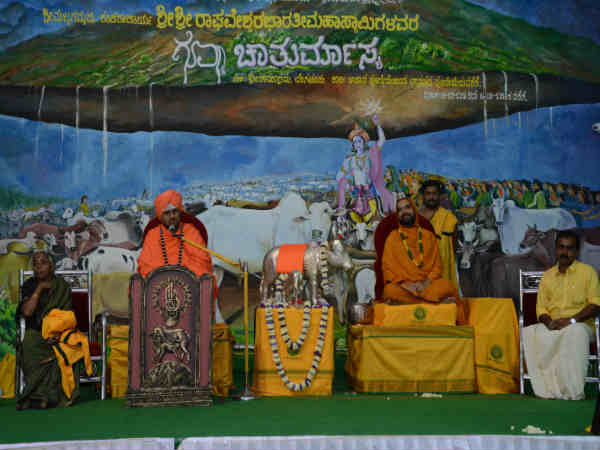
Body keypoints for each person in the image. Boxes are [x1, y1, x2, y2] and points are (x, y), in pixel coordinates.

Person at [522, 230, 600, 400]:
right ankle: (547, 389)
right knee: (530, 332)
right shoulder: (547, 276)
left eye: (569, 248)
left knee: (575, 332)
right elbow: (541, 309)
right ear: (556, 249)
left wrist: (571, 320)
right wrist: (550, 323)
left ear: (577, 251)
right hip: (554, 324)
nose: (564, 252)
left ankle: (572, 391)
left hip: (580, 324)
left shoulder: (588, 272)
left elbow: (595, 304)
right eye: (561, 247)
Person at [380, 194, 468, 324]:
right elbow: (387, 268)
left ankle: (406, 303)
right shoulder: (392, 238)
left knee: (447, 286)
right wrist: (406, 285)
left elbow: (437, 266)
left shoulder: (428, 236)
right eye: (400, 209)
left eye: (407, 207)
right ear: (397, 215)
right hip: (404, 287)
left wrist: (425, 283)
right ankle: (434, 303)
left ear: (414, 210)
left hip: (427, 286)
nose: (404, 212)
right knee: (390, 290)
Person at [16, 251, 84, 410]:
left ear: (51, 266)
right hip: (37, 332)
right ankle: (37, 395)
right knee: (29, 342)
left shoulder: (62, 286)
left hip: (60, 333)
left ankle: (52, 396)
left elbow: (67, 316)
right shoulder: (29, 285)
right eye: (35, 264)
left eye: (43, 263)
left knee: (70, 345)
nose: (39, 267)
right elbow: (27, 312)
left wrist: (58, 333)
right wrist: (39, 289)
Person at [137, 189, 212, 279]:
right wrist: (165, 273)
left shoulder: (191, 231)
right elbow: (145, 264)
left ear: (179, 212)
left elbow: (202, 261)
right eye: (167, 213)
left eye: (175, 211)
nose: (172, 216)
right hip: (160, 282)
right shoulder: (153, 235)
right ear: (160, 216)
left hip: (188, 280)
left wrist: (183, 272)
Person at [336, 114, 395, 221]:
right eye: (355, 142)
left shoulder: (370, 154)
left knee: (382, 209)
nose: (357, 144)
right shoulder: (349, 159)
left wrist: (377, 125)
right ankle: (341, 214)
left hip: (370, 190)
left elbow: (382, 140)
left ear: (364, 142)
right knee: (348, 213)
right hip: (355, 192)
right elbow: (339, 175)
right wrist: (348, 185)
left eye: (359, 141)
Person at [419, 179, 459, 290]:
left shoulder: (449, 217)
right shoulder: (415, 217)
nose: (431, 197)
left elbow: (454, 245)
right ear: (423, 196)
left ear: (440, 196)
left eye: (434, 193)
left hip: (443, 271)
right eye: (428, 193)